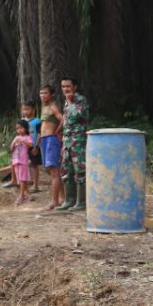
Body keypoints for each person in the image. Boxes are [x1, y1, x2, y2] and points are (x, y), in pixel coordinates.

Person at [56, 76, 90, 212]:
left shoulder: (80, 100)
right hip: (68, 141)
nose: (65, 89)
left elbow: (78, 115)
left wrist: (71, 102)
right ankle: (69, 201)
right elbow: (66, 122)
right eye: (63, 86)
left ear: (74, 87)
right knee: (66, 170)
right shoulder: (66, 102)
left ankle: (81, 202)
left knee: (80, 171)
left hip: (78, 142)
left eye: (68, 86)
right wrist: (63, 141)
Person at [39, 113, 64, 210]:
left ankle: (55, 201)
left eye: (45, 95)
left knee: (55, 171)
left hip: (52, 139)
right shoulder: (45, 107)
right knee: (54, 171)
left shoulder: (53, 107)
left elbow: (63, 119)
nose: (42, 96)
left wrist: (57, 131)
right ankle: (62, 198)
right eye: (41, 95)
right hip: (46, 140)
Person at [10, 119, 34, 204]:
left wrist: (23, 140)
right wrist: (14, 143)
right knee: (20, 178)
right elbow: (11, 149)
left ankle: (22, 195)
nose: (19, 130)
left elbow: (31, 145)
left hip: (23, 160)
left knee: (23, 178)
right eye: (17, 128)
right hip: (16, 160)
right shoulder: (16, 137)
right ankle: (28, 194)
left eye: (21, 128)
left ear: (26, 128)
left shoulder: (28, 137)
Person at [22, 99, 41, 193]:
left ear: (33, 110)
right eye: (24, 109)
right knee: (24, 164)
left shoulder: (37, 121)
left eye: (27, 109)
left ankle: (36, 185)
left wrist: (36, 146)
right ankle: (24, 183)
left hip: (33, 146)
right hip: (23, 147)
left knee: (34, 165)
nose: (25, 112)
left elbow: (39, 134)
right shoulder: (22, 121)